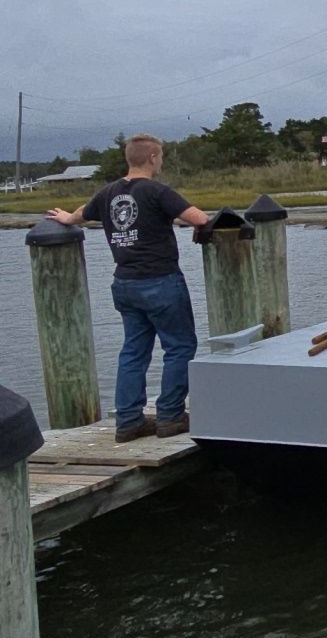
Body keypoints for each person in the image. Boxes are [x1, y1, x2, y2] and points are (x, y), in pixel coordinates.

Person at [48, 133, 209, 441]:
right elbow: (198, 217)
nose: (160, 161)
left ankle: (129, 420)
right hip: (160, 280)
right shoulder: (157, 191)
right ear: (152, 158)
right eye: (160, 156)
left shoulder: (108, 192)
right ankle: (170, 416)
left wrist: (67, 217)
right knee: (179, 346)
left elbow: (82, 213)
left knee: (133, 350)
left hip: (125, 283)